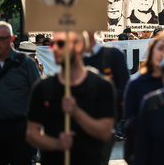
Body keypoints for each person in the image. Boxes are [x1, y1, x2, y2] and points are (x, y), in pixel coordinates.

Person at [26, 31, 116, 165]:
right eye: (53, 44)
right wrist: (57, 144)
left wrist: (76, 112)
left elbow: (105, 132)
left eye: (61, 44)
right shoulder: (43, 87)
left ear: (79, 46)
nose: (55, 49)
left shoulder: (101, 86)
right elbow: (31, 134)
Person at [0, 21, 40, 164]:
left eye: (1, 39)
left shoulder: (26, 64)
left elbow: (38, 94)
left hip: (19, 130)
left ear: (11, 39)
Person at [123, 36, 164, 163]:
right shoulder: (136, 84)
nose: (163, 54)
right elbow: (129, 123)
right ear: (151, 51)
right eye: (160, 48)